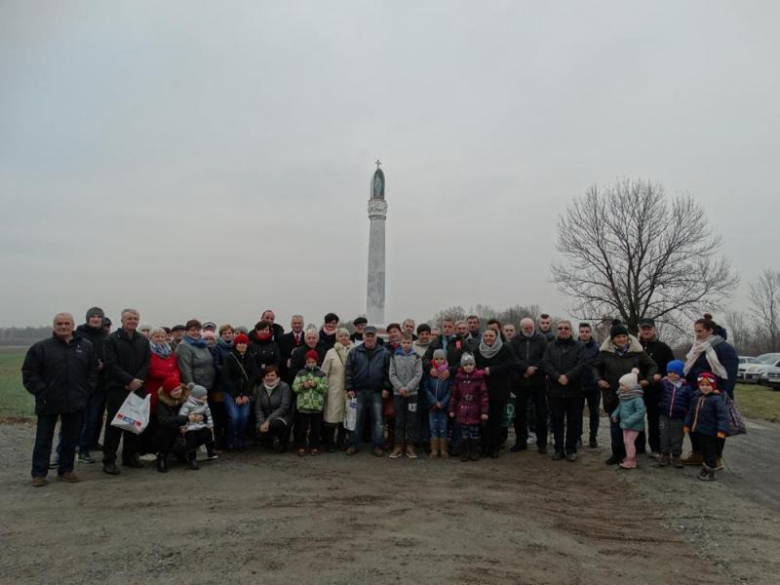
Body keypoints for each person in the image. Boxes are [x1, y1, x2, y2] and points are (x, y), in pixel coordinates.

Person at [22, 313, 98, 487]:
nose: (63, 326)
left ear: (73, 326)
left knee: (71, 438)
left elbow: (93, 370)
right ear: (54, 326)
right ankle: (39, 473)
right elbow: (29, 374)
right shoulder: (41, 348)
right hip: (48, 401)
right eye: (59, 323)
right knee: (43, 439)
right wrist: (42, 392)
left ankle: (66, 470)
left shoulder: (86, 346)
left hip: (75, 401)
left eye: (66, 323)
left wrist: (86, 390)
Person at [593, 321, 657, 465]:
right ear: (612, 339)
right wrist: (599, 380)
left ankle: (630, 455)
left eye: (624, 336)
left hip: (632, 397)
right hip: (612, 394)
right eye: (618, 337)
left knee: (630, 426)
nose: (622, 339)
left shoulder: (636, 352)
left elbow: (652, 365)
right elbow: (595, 368)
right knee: (615, 426)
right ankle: (616, 453)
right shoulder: (605, 353)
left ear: (628, 337)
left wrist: (647, 380)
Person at [681, 317, 739, 466]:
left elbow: (730, 374)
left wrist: (722, 393)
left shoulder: (723, 348)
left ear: (710, 330)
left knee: (714, 427)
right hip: (697, 394)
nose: (697, 334)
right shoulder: (697, 347)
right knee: (696, 425)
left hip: (715, 396)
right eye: (695, 331)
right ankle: (698, 454)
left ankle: (715, 458)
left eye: (700, 331)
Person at [103, 308, 150, 475]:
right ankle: (109, 460)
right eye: (129, 318)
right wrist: (128, 381)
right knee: (115, 425)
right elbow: (111, 364)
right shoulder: (111, 340)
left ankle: (129, 456)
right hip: (118, 388)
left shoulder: (143, 341)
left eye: (135, 318)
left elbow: (146, 363)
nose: (132, 321)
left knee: (133, 423)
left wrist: (137, 381)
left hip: (138, 388)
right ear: (122, 321)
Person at [541, 320, 586, 462]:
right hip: (555, 390)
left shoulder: (579, 346)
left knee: (573, 422)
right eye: (560, 328)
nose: (563, 330)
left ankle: (571, 449)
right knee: (556, 421)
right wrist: (557, 377)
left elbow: (583, 364)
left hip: (575, 390)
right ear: (557, 330)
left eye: (566, 328)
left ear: (571, 331)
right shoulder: (550, 346)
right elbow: (545, 363)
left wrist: (568, 377)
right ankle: (558, 449)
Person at [344, 325, 391, 456]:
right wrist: (349, 387)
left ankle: (377, 445)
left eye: (372, 335)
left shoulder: (384, 352)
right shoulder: (354, 352)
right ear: (363, 337)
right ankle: (353, 444)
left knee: (378, 420)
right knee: (356, 419)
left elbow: (389, 372)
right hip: (358, 391)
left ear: (376, 337)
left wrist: (386, 387)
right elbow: (348, 371)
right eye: (367, 335)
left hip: (377, 392)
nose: (370, 338)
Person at [175, 319, 221, 448]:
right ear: (187, 331)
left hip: (208, 385)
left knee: (208, 415)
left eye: (197, 329)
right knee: (196, 417)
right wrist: (192, 389)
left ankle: (209, 444)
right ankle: (196, 447)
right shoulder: (184, 346)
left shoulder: (202, 344)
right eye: (192, 330)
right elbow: (185, 368)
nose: (195, 332)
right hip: (196, 388)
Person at [474, 329, 519, 459]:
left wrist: (492, 370)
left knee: (496, 419)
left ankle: (494, 447)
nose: (488, 338)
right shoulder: (478, 350)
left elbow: (510, 365)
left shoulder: (505, 349)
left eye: (491, 336)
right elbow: (474, 367)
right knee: (483, 419)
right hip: (482, 390)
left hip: (499, 389)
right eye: (486, 335)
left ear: (497, 337)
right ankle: (484, 446)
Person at [508, 318, 549, 454]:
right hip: (520, 382)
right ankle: (521, 441)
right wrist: (525, 369)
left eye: (530, 327)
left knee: (541, 414)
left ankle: (542, 443)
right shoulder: (514, 341)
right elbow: (513, 358)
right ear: (521, 328)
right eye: (526, 328)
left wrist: (534, 369)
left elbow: (545, 358)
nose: (528, 330)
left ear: (534, 327)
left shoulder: (542, 339)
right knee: (519, 414)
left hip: (538, 382)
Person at [637, 318, 675, 459]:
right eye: (643, 328)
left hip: (656, 390)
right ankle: (638, 447)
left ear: (654, 330)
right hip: (637, 389)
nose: (646, 331)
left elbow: (671, 369)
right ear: (639, 330)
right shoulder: (634, 347)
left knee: (654, 420)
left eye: (649, 329)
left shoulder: (663, 348)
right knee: (637, 418)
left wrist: (662, 375)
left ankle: (655, 448)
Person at [74, 307, 108, 464]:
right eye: (93, 316)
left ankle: (86, 447)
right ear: (87, 319)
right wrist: (93, 365)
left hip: (100, 384)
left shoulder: (105, 337)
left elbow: (109, 356)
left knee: (94, 418)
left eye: (98, 317)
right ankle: (75, 448)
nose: (95, 319)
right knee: (78, 419)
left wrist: (104, 364)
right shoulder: (78, 335)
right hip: (82, 384)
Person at [684, 373, 730, 481]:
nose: (705, 387)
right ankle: (706, 468)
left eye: (708, 385)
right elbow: (691, 413)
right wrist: (687, 424)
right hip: (699, 431)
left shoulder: (717, 400)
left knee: (710, 452)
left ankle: (710, 472)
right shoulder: (697, 397)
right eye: (702, 385)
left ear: (713, 386)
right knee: (704, 451)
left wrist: (722, 430)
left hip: (711, 432)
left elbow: (723, 416)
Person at [220, 333, 258, 451]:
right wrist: (236, 394)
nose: (242, 345)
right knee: (235, 416)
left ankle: (241, 440)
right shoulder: (229, 358)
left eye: (244, 343)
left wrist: (246, 394)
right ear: (236, 344)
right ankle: (230, 440)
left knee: (245, 416)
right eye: (239, 343)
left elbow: (253, 376)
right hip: (231, 392)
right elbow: (225, 377)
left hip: (245, 392)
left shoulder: (251, 358)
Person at [449, 353, 489, 462]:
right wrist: (451, 409)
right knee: (464, 434)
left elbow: (484, 396)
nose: (468, 366)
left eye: (471, 364)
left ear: (474, 365)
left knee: (474, 433)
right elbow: (454, 395)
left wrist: (484, 411)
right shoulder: (458, 379)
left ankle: (474, 451)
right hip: (461, 411)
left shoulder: (479, 379)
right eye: (466, 364)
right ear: (462, 366)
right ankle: (465, 452)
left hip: (474, 411)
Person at [389, 332, 423, 459]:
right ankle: (398, 446)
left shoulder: (417, 357)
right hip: (398, 394)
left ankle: (410, 446)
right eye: (404, 342)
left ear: (412, 343)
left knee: (411, 420)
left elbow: (418, 375)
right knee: (399, 420)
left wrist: (408, 388)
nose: (406, 345)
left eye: (408, 342)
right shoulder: (394, 356)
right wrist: (400, 388)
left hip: (412, 394)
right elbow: (391, 374)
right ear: (400, 343)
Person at [320, 328, 353, 451]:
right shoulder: (331, 352)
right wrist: (324, 387)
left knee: (345, 416)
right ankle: (329, 443)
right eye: (341, 336)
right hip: (333, 389)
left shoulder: (353, 351)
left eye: (346, 335)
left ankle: (341, 442)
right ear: (337, 338)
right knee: (331, 416)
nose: (344, 337)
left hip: (348, 389)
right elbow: (324, 372)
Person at [292, 350, 328, 456]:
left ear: (317, 362)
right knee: (302, 428)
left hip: (316, 406)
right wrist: (303, 386)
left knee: (315, 429)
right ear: (305, 362)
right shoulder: (300, 373)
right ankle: (301, 446)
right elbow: (295, 387)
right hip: (304, 405)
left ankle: (314, 446)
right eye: (309, 362)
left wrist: (315, 385)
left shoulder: (321, 374)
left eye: (313, 362)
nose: (311, 364)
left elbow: (325, 389)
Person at [658, 360, 692, 468]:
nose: (671, 374)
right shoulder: (664, 383)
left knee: (677, 437)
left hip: (679, 417)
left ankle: (676, 456)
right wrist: (658, 381)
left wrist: (686, 412)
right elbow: (656, 391)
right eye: (669, 372)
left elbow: (690, 401)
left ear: (680, 373)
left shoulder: (686, 387)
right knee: (664, 436)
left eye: (675, 372)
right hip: (664, 415)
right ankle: (665, 455)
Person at [611, 368, 647, 470]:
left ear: (630, 386)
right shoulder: (624, 396)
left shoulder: (637, 398)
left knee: (629, 441)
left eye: (623, 385)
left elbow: (640, 412)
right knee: (626, 441)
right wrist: (615, 415)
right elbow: (620, 407)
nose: (620, 387)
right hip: (625, 423)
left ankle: (631, 460)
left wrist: (629, 421)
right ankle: (629, 458)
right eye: (620, 385)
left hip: (634, 424)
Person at [154, 377, 191, 473]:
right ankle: (162, 457)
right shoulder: (162, 402)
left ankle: (184, 453)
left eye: (179, 388)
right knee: (171, 429)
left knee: (204, 432)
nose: (179, 392)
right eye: (175, 390)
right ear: (168, 393)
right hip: (166, 433)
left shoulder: (187, 398)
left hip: (186, 428)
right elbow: (163, 420)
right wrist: (184, 419)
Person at [178, 384, 218, 470]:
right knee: (191, 439)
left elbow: (209, 415)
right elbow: (182, 415)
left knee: (208, 432)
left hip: (200, 425)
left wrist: (210, 425)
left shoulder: (205, 403)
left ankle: (210, 450)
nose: (206, 397)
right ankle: (192, 459)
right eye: (204, 395)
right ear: (198, 396)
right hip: (190, 427)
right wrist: (183, 426)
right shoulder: (187, 404)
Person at [255, 365, 293, 452]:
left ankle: (282, 442)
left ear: (277, 376)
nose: (270, 378)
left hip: (282, 417)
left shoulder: (284, 387)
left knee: (277, 425)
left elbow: (284, 407)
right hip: (265, 418)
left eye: (272, 375)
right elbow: (258, 408)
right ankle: (270, 440)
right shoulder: (260, 388)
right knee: (259, 432)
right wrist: (261, 423)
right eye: (267, 375)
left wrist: (268, 421)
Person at [577, 323, 601, 448]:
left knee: (594, 413)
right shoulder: (574, 347)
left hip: (593, 385)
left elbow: (600, 366)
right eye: (582, 331)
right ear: (579, 332)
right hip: (578, 385)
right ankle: (578, 437)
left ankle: (593, 437)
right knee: (576, 413)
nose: (584, 333)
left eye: (587, 331)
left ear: (590, 333)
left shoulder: (597, 348)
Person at [425, 349, 451, 459]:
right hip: (432, 406)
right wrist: (434, 401)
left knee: (443, 427)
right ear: (433, 360)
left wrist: (443, 402)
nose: (439, 361)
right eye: (436, 358)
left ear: (445, 360)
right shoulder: (430, 373)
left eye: (441, 358)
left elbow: (451, 390)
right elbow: (426, 388)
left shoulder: (447, 373)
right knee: (433, 427)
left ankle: (443, 450)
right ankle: (434, 450)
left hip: (443, 406)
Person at [278, 314, 306, 381]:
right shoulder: (283, 338)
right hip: (286, 375)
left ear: (303, 324)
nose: (297, 325)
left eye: (299, 323)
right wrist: (286, 361)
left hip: (304, 375)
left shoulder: (308, 338)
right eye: (295, 323)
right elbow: (279, 355)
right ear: (291, 324)